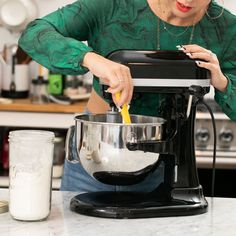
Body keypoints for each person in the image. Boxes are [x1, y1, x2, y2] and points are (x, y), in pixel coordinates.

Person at [18, 0, 236, 192]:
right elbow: (34, 33)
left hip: (163, 164)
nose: (187, 1)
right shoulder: (111, 5)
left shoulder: (225, 28)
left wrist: (222, 82)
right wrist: (91, 59)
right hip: (94, 154)